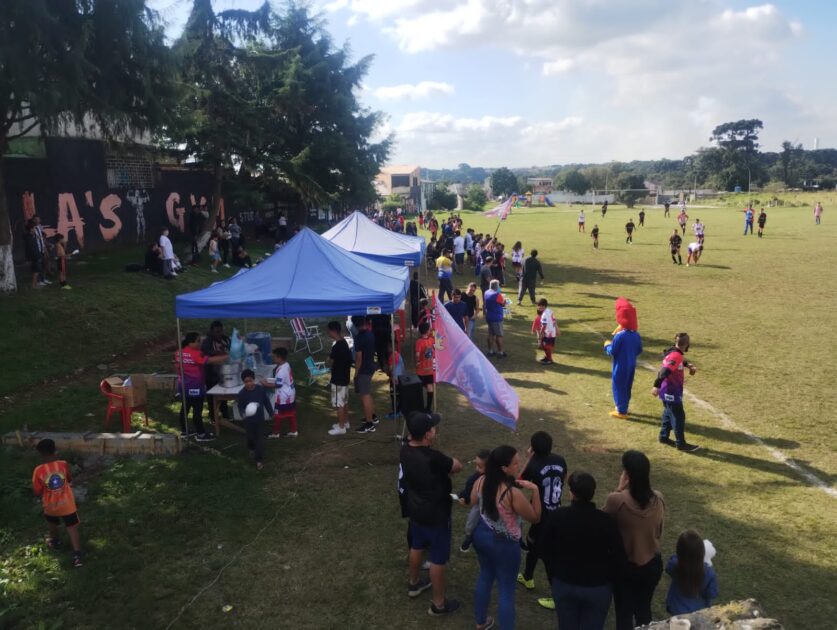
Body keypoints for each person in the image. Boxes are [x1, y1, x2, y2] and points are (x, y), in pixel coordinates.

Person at [540, 471, 626, 629]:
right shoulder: (606, 521)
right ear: (593, 493)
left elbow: (545, 550)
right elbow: (618, 556)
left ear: (571, 493)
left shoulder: (558, 517)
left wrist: (554, 575)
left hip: (565, 583)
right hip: (598, 588)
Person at [470, 445, 541, 630]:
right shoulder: (512, 493)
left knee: (485, 576)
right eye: (516, 463)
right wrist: (535, 491)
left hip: (481, 536)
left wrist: (526, 461)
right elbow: (535, 517)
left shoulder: (482, 480)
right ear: (504, 468)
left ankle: (480, 621)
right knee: (506, 590)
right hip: (505, 546)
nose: (518, 465)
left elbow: (473, 501)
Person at [400, 411, 462, 617]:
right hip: (437, 514)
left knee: (417, 546)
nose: (435, 429)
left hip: (416, 509)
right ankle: (439, 604)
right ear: (427, 435)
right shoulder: (434, 458)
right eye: (432, 428)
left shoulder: (405, 450)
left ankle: (414, 583)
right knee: (438, 558)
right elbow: (457, 466)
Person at [604, 450, 665, 630]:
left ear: (627, 474)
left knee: (624, 613)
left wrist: (619, 488)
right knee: (644, 609)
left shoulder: (617, 500)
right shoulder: (658, 499)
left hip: (626, 568)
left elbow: (602, 522)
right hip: (651, 564)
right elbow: (659, 530)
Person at [518, 432, 567, 600]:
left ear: (533, 449)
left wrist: (529, 459)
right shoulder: (560, 460)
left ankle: (556, 596)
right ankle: (528, 577)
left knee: (545, 552)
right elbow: (563, 478)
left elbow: (518, 482)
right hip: (556, 509)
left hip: (540, 513)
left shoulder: (534, 464)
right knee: (533, 544)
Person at [32, 438, 84, 568]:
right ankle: (77, 555)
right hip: (67, 504)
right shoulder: (63, 464)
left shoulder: (38, 470)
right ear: (55, 451)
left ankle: (55, 542)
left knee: (52, 524)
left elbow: (37, 491)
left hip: (50, 506)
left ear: (40, 455)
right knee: (72, 529)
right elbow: (69, 478)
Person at [175, 332, 228, 441]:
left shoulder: (179, 353)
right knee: (197, 410)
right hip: (195, 386)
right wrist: (226, 356)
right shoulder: (195, 354)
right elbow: (209, 361)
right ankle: (201, 434)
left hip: (182, 385)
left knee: (185, 408)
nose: (200, 343)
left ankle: (185, 431)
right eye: (198, 341)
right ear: (191, 342)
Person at [653, 332, 700, 452]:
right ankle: (681, 444)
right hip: (671, 391)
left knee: (668, 414)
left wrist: (687, 365)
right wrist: (656, 386)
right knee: (679, 417)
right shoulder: (676, 356)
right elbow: (664, 372)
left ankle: (663, 437)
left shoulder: (673, 352)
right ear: (687, 344)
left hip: (667, 390)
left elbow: (676, 361)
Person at [604, 298, 642, 419]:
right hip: (631, 363)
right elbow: (639, 350)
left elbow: (613, 351)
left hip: (620, 364)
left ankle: (621, 410)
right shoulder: (636, 334)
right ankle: (624, 406)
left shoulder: (620, 336)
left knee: (618, 385)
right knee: (627, 385)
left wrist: (607, 345)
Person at [665, 530, 719, 615]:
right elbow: (711, 594)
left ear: (679, 550)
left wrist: (680, 556)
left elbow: (668, 568)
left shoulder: (674, 564)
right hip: (697, 610)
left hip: (676, 607)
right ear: (702, 551)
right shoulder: (709, 572)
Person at [237, 369, 272, 469]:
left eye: (250, 380)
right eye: (246, 381)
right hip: (249, 422)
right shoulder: (242, 394)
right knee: (250, 439)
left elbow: (266, 401)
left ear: (254, 380)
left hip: (259, 420)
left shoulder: (260, 389)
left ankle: (259, 460)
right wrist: (242, 414)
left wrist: (271, 412)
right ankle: (251, 448)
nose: (248, 383)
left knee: (259, 440)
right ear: (243, 382)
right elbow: (240, 406)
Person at [458, 449, 490, 552]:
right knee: (471, 523)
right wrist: (464, 497)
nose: (477, 469)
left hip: (492, 506)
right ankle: (469, 537)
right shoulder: (476, 477)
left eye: (480, 467)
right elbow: (469, 488)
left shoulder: (495, 478)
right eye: (476, 465)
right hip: (478, 504)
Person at [201, 321, 231, 422]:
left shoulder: (226, 339)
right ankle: (213, 417)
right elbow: (206, 355)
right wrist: (220, 353)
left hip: (224, 371)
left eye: (221, 331)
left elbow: (231, 349)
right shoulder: (207, 341)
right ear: (212, 331)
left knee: (224, 394)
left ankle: (225, 414)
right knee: (211, 396)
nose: (219, 333)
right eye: (217, 331)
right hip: (211, 373)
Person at [354, 316, 379, 433]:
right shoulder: (370, 333)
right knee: (367, 394)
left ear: (355, 325)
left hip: (364, 369)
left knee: (365, 395)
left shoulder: (359, 337)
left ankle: (369, 424)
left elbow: (358, 358)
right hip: (370, 366)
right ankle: (372, 416)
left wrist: (356, 373)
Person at [327, 321, 353, 436]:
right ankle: (345, 422)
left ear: (333, 331)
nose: (327, 333)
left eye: (328, 330)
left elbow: (331, 360)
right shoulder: (344, 343)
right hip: (345, 377)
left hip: (338, 379)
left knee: (339, 404)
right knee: (344, 401)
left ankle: (341, 427)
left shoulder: (337, 345)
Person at [266, 347, 297, 438]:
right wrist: (270, 380)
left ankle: (275, 433)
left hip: (283, 396)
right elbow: (280, 380)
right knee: (291, 412)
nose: (273, 358)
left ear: (279, 358)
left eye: (274, 357)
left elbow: (278, 385)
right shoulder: (286, 365)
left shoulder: (281, 370)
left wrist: (265, 384)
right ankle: (294, 431)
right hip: (290, 394)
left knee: (278, 414)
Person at [484, 279, 507, 358]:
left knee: (491, 334)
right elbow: (503, 304)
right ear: (497, 286)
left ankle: (490, 351)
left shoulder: (486, 292)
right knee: (499, 335)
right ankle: (500, 352)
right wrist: (504, 300)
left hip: (489, 316)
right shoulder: (497, 295)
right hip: (497, 317)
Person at [415, 322, 436, 412]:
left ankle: (420, 406)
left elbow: (417, 354)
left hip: (421, 369)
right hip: (430, 369)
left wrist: (417, 361)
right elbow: (435, 333)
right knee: (429, 387)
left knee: (419, 388)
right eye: (429, 329)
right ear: (427, 331)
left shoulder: (419, 342)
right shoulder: (432, 339)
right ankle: (428, 407)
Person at [535, 298, 559, 365]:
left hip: (549, 333)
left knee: (547, 346)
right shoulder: (549, 310)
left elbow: (544, 326)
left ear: (545, 306)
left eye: (541, 306)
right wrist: (556, 328)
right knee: (544, 345)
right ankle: (547, 357)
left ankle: (549, 360)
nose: (539, 307)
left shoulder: (544, 315)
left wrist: (541, 334)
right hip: (551, 331)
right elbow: (554, 319)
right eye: (539, 306)